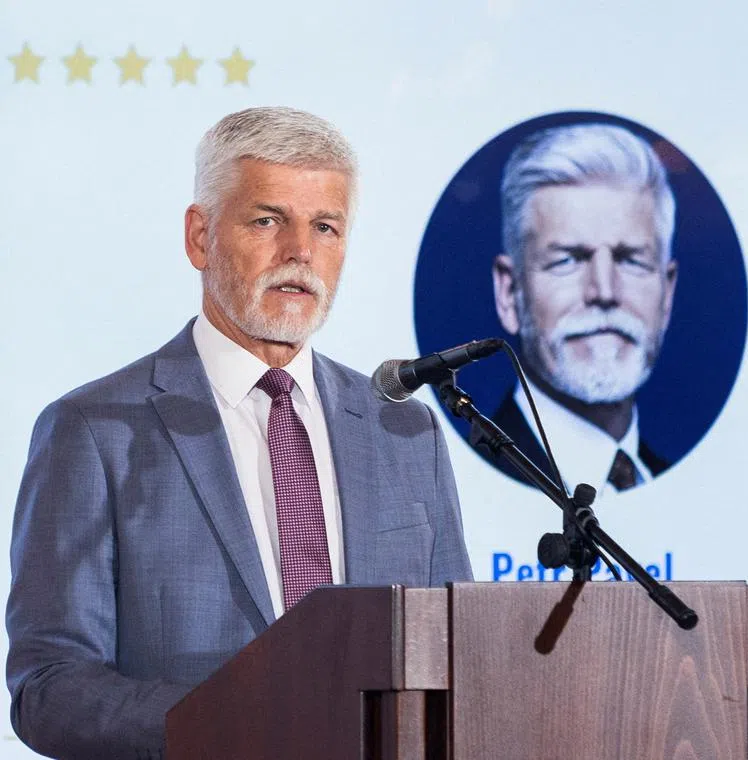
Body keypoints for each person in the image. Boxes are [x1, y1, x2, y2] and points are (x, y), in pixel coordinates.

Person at [5, 107, 473, 759]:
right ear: (200, 237)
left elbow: (457, 658)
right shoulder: (95, 431)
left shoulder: (403, 428)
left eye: (325, 227)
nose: (300, 253)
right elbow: (49, 689)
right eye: (267, 220)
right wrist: (237, 720)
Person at [489, 123, 678, 494]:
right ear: (509, 293)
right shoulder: (457, 482)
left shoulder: (694, 493)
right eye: (568, 260)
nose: (603, 291)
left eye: (631, 260)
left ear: (667, 294)